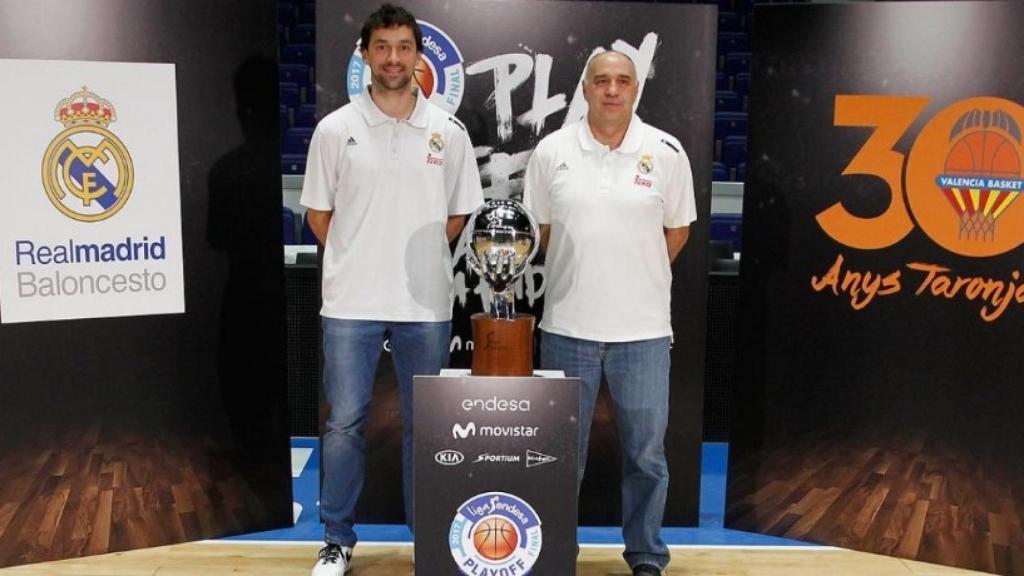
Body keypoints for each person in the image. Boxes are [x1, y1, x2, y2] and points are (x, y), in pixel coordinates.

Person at [300, 4, 484, 574]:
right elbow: (319, 215)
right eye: (382, 47)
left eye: (404, 47)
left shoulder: (448, 131)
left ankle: (427, 537)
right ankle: (337, 539)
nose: (394, 58)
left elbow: (457, 215)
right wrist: (362, 255)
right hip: (350, 302)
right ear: (365, 54)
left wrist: (414, 260)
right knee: (344, 423)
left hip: (425, 304)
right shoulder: (335, 129)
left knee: (425, 425)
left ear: (419, 56)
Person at [523, 50, 696, 576]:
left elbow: (677, 231)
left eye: (623, 80)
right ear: (585, 88)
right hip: (567, 329)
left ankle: (646, 556)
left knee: (646, 456)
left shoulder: (666, 151)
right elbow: (539, 231)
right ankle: (555, 556)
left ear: (636, 89)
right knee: (559, 458)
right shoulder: (552, 151)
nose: (612, 90)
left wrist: (633, 274)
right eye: (602, 80)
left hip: (642, 333)